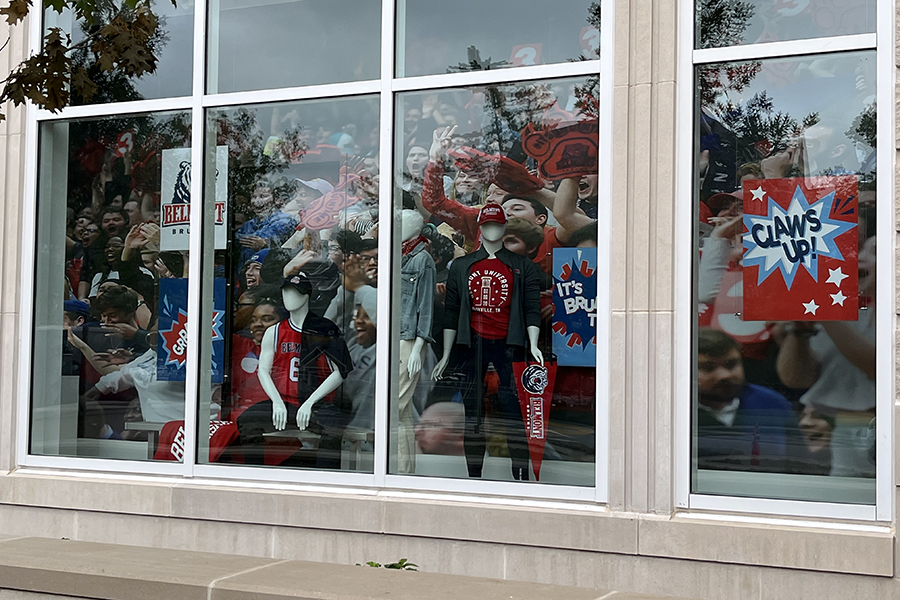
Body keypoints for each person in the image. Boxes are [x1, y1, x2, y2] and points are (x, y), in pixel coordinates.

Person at [432, 205, 543, 480]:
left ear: (504, 228)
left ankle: (520, 476)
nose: (492, 230)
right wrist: (446, 354)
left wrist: (534, 344)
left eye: (497, 225)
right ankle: (474, 475)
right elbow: (452, 312)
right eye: (487, 225)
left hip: (510, 344)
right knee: (473, 415)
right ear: (480, 229)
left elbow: (531, 307)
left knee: (514, 412)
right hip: (473, 344)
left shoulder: (521, 266)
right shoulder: (462, 266)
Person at [776, 235, 877, 477]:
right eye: (859, 249)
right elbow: (798, 379)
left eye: (875, 251)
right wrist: (800, 329)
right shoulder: (850, 313)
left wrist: (821, 306)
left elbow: (879, 367)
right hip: (846, 434)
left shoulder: (836, 315)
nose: (858, 257)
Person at [236, 273, 353, 468]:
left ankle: (325, 479)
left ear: (306, 295)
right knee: (247, 422)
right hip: (284, 402)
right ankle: (256, 474)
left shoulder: (324, 328)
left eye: (295, 292)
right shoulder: (274, 331)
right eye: (286, 292)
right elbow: (263, 370)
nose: (289, 297)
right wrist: (276, 402)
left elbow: (340, 371)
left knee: (334, 426)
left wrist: (310, 402)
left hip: (315, 404)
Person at [696, 328, 804, 473]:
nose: (724, 375)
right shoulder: (675, 410)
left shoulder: (771, 403)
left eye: (731, 364)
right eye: (708, 368)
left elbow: (800, 465)